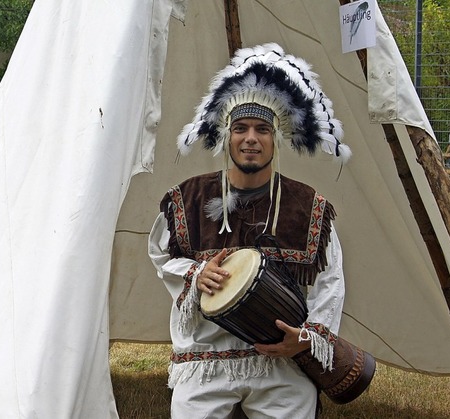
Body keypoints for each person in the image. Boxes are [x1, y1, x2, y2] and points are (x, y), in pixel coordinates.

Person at [148, 43, 351, 418]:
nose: (251, 138)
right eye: (240, 128)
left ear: (276, 138)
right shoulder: (188, 197)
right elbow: (161, 256)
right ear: (227, 136)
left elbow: (330, 279)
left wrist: (307, 340)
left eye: (262, 129)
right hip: (205, 361)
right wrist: (195, 274)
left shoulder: (308, 205)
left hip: (280, 363)